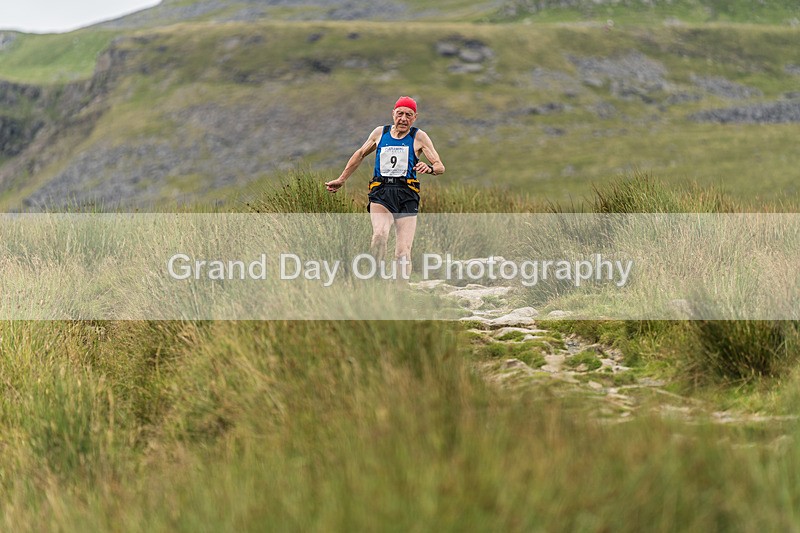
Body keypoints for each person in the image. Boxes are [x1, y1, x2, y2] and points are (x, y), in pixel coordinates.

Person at [325, 96, 445, 279]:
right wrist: (341, 179)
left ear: (415, 117)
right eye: (400, 114)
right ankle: (375, 279)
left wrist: (428, 168)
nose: (403, 118)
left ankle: (400, 295)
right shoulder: (380, 133)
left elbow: (439, 166)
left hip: (407, 195)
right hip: (381, 193)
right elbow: (359, 154)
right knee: (380, 234)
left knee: (402, 252)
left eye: (408, 115)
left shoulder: (418, 137)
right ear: (393, 114)